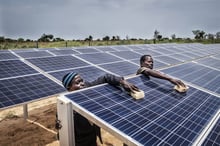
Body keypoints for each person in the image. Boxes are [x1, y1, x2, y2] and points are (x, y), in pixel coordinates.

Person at [59, 72, 139, 146]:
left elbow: (105, 77)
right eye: (77, 83)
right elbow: (62, 134)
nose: (82, 84)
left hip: (93, 138)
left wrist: (122, 82)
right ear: (68, 87)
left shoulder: (87, 88)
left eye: (81, 80)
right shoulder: (66, 107)